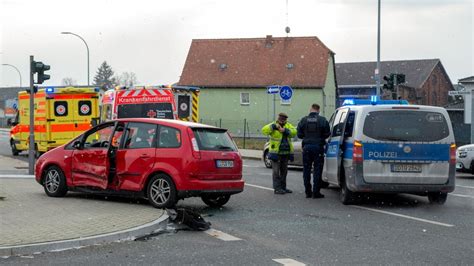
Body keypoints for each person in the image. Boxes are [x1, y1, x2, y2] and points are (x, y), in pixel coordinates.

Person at [297, 104, 331, 199]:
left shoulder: (303, 120)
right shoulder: (322, 120)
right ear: (318, 110)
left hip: (307, 147)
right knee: (317, 170)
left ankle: (308, 191)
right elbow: (327, 134)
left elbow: (299, 135)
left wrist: (307, 136)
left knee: (306, 170)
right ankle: (316, 192)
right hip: (318, 147)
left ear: (310, 109)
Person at [262, 113, 297, 194]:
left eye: (284, 119)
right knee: (276, 171)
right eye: (281, 119)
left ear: (286, 120)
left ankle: (283, 187)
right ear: (278, 119)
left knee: (284, 171)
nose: (282, 121)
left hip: (286, 153)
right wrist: (273, 127)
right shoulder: (273, 125)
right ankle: (277, 188)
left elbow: (294, 132)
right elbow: (264, 130)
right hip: (276, 153)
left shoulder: (288, 125)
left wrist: (285, 130)